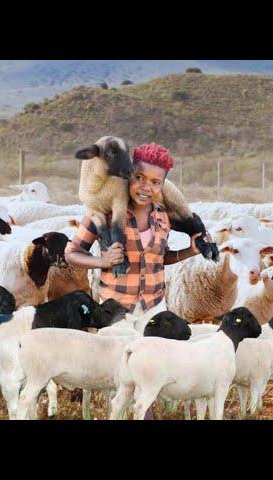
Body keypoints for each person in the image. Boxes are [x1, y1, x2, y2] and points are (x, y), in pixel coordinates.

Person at [64, 143, 212, 419]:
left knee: (150, 373)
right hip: (116, 308)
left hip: (154, 307)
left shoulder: (162, 217)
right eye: (140, 178)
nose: (146, 187)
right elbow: (72, 253)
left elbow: (160, 259)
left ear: (163, 186)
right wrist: (103, 261)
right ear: (129, 176)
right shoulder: (104, 214)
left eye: (155, 182)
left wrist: (190, 252)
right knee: (121, 381)